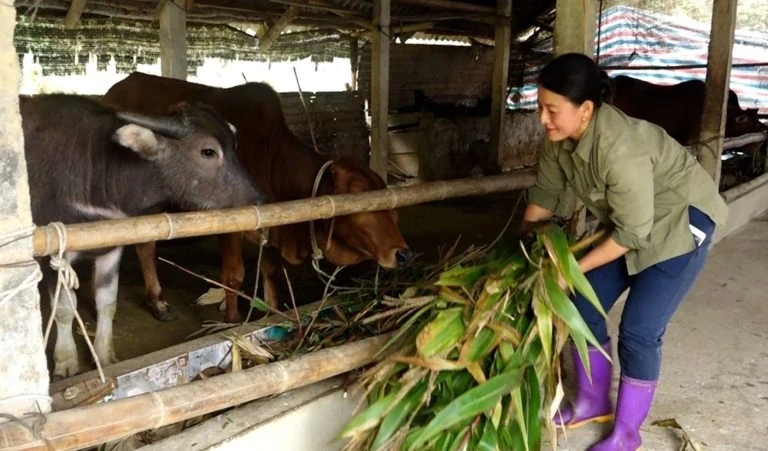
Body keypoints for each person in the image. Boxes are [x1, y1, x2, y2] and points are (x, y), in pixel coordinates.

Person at [519, 53, 728, 451]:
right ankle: (592, 403)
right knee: (582, 305)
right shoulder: (559, 141)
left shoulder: (620, 149)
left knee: (639, 331)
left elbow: (633, 234)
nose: (543, 118)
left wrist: (569, 270)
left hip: (680, 222)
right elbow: (545, 195)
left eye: (551, 109)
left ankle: (627, 433)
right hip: (631, 222)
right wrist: (520, 246)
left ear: (585, 109)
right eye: (540, 107)